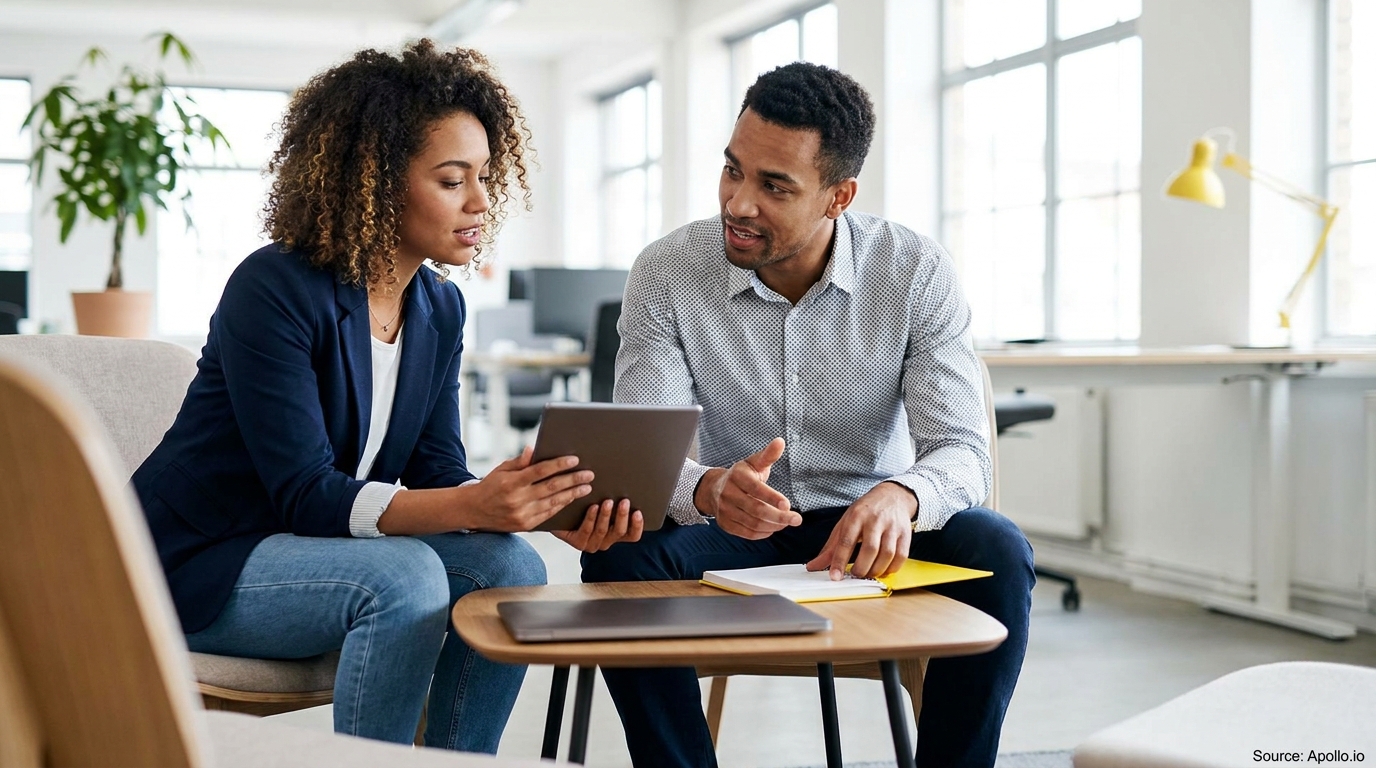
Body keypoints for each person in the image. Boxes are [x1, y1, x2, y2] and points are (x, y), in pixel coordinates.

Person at [131, 40, 643, 752]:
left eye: (485, 177)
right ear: (374, 182)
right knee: (401, 580)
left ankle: (459, 764)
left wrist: (535, 509)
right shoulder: (273, 288)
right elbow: (305, 493)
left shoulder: (438, 308)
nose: (480, 202)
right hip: (198, 561)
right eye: (451, 179)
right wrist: (473, 504)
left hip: (307, 551)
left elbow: (437, 469)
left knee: (513, 568)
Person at [581, 62, 1035, 767]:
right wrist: (707, 487)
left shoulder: (914, 272)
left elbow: (962, 451)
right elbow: (650, 450)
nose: (737, 202)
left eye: (774, 186)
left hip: (866, 537)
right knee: (616, 557)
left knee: (997, 550)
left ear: (838, 196)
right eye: (733, 171)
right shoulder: (667, 271)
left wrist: (903, 495)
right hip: (733, 532)